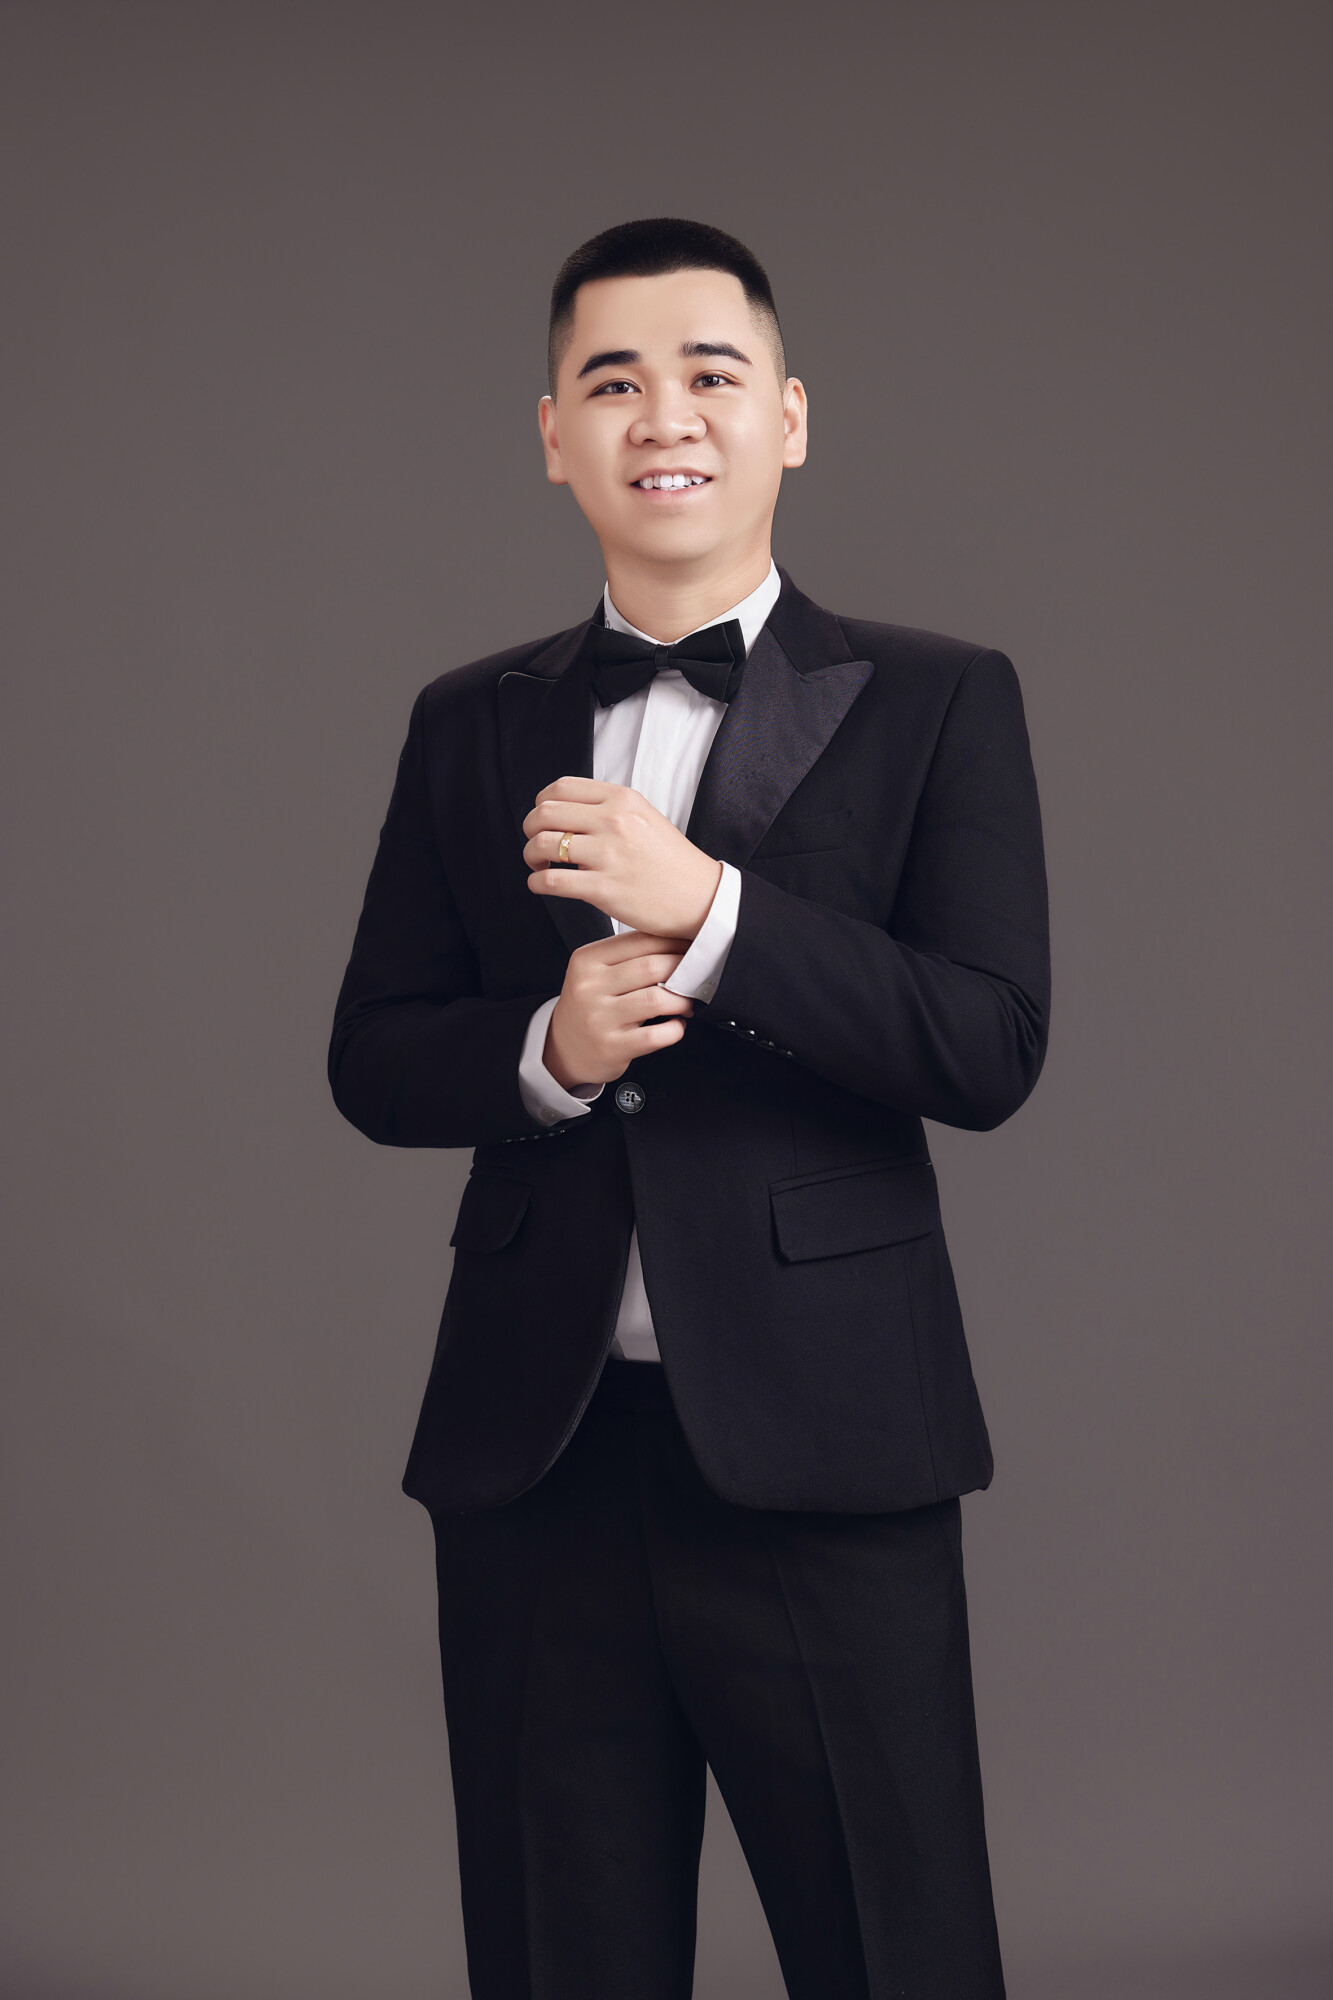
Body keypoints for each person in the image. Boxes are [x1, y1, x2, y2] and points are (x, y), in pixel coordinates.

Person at [329, 216, 1049, 2000]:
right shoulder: (465, 720)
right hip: (538, 1451)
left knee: (896, 1954)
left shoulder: (943, 697)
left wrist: (715, 915)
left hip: (829, 1446)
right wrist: (548, 1051)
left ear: (787, 418)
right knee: (557, 1960)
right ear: (553, 436)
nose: (664, 414)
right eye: (612, 381)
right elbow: (374, 1052)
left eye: (710, 374)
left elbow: (986, 1043)